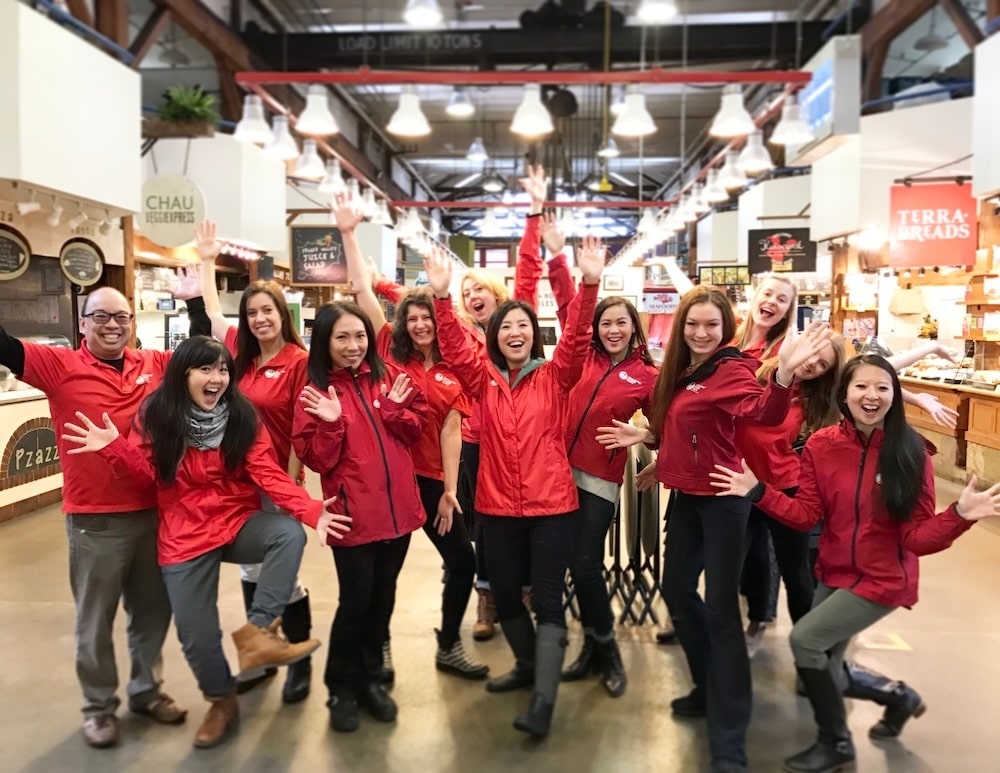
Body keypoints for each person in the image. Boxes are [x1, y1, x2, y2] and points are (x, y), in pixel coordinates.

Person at [710, 354, 1000, 773]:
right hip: (834, 571)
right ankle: (898, 698)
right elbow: (806, 514)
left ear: (895, 395)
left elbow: (916, 538)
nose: (872, 395)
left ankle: (836, 743)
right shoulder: (821, 445)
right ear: (844, 392)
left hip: (883, 580)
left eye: (883, 387)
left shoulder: (910, 451)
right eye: (861, 386)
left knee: (806, 642)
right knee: (830, 666)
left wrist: (958, 516)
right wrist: (759, 492)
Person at [61, 336, 348, 749]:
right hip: (183, 534)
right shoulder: (159, 414)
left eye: (223, 370)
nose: (216, 378)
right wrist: (114, 450)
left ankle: (260, 632)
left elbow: (266, 472)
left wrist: (309, 509)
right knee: (197, 635)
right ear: (184, 375)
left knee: (286, 534)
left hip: (233, 520)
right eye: (205, 369)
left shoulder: (241, 415)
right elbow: (148, 475)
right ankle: (221, 700)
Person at [596, 286, 832, 773]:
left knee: (723, 612)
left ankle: (729, 736)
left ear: (726, 328)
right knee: (677, 591)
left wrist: (784, 374)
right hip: (687, 497)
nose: (701, 333)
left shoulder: (733, 369)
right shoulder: (683, 371)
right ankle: (708, 684)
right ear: (681, 327)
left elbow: (761, 414)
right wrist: (653, 445)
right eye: (693, 324)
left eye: (711, 324)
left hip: (725, 501)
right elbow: (683, 422)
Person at [424, 236, 604, 739]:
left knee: (546, 600)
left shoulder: (555, 376)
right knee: (505, 599)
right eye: (508, 327)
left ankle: (543, 701)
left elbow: (577, 338)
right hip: (497, 508)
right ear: (496, 337)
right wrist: (441, 298)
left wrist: (588, 283)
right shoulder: (481, 379)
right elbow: (457, 348)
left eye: (524, 325)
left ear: (534, 334)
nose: (516, 332)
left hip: (552, 508)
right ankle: (527, 667)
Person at [0, 287, 188, 748]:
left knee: (151, 614)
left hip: (153, 513)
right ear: (82, 323)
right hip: (95, 520)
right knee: (94, 621)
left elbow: (203, 351)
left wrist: (198, 301)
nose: (112, 325)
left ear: (132, 323)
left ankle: (146, 691)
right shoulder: (59, 367)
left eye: (121, 317)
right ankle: (99, 708)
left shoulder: (154, 365)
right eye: (100, 317)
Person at [333, 192, 487, 680]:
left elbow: (450, 427)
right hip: (389, 481)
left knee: (462, 561)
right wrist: (348, 232)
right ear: (402, 322)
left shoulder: (452, 367)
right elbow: (361, 290)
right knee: (385, 575)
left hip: (429, 481)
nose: (420, 324)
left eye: (427, 318)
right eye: (412, 318)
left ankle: (447, 645)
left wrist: (446, 490)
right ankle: (379, 649)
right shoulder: (384, 351)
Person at [178, 220, 316, 704]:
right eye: (252, 312)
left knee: (282, 569)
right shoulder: (237, 354)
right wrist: (208, 257)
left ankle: (296, 658)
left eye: (267, 311)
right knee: (249, 570)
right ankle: (262, 651)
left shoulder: (301, 360)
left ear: (283, 314)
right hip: (235, 478)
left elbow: (303, 425)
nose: (259, 319)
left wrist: (294, 476)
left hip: (278, 477)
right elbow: (213, 313)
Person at [292, 301, 428, 733]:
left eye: (360, 336)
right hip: (353, 517)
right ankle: (341, 687)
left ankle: (371, 680)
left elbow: (415, 430)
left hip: (398, 513)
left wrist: (392, 408)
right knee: (355, 603)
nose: (354, 346)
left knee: (383, 600)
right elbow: (315, 459)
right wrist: (331, 423)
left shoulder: (388, 377)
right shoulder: (314, 393)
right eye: (342, 337)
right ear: (325, 342)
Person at [558, 296, 658, 699]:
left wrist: (650, 443)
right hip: (557, 474)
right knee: (579, 566)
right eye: (605, 323)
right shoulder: (579, 359)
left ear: (634, 326)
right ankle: (591, 650)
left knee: (584, 565)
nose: (613, 330)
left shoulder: (649, 375)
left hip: (600, 478)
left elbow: (666, 426)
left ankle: (609, 653)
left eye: (621, 322)